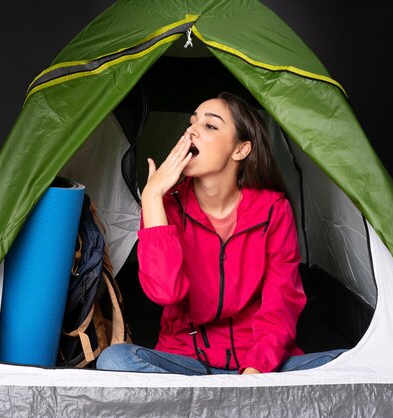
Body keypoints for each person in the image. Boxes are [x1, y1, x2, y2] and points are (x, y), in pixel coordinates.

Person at [96, 92, 345, 375]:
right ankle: (236, 403)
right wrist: (152, 196)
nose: (192, 131)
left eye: (210, 126)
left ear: (240, 150)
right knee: (114, 360)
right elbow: (164, 292)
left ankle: (219, 402)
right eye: (192, 123)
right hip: (188, 365)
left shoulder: (274, 210)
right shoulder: (165, 206)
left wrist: (255, 370)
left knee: (352, 363)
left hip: (259, 365)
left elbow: (281, 305)